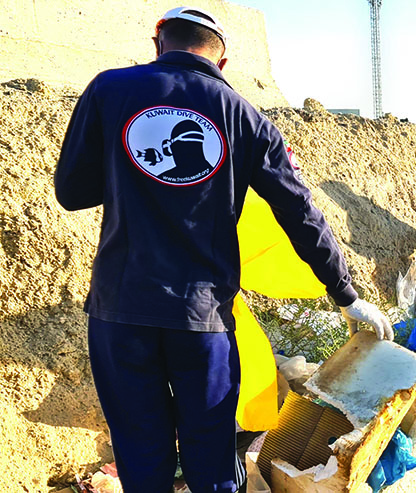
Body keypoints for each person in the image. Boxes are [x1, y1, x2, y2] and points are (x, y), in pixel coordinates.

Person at [54, 7, 392, 492]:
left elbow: (71, 193)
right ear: (224, 61)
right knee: (210, 453)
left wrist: (131, 173)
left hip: (121, 309)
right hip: (203, 318)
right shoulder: (243, 115)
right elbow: (300, 212)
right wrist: (345, 293)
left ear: (158, 45)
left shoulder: (108, 89)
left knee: (139, 449)